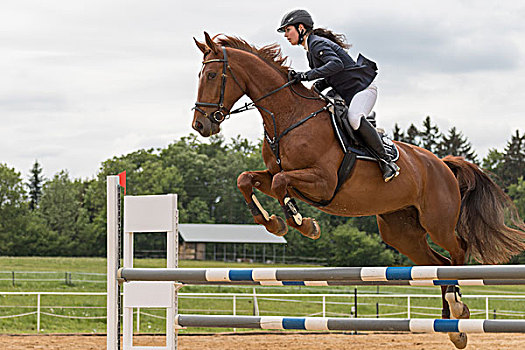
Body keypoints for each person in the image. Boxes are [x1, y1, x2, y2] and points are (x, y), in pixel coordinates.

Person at [277, 9, 400, 182]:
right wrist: (316, 85)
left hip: (363, 89)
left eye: (288, 30)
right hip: (348, 92)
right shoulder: (311, 49)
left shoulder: (317, 44)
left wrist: (305, 75)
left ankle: (386, 162)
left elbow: (336, 64)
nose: (286, 35)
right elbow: (331, 75)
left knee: (354, 118)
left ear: (301, 27)